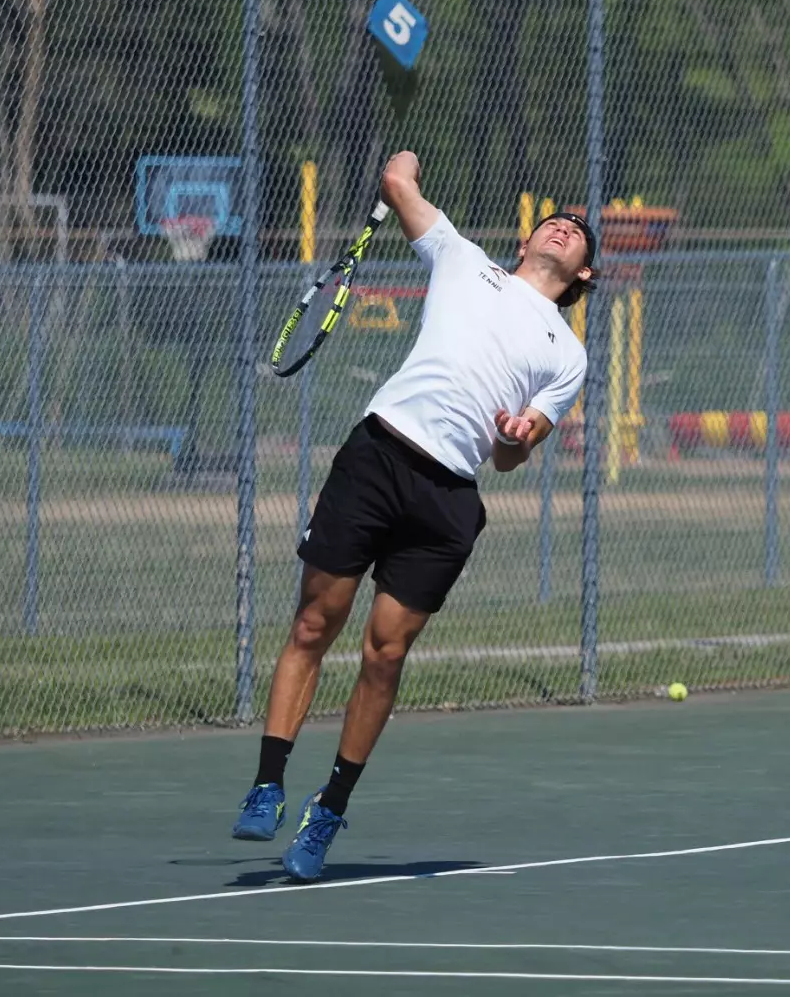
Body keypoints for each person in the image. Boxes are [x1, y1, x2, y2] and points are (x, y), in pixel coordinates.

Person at [231, 150, 594, 881]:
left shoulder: (569, 356)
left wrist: (514, 435)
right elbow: (399, 181)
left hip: (448, 498)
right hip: (377, 456)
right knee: (314, 624)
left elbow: (511, 457)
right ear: (524, 240)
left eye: (577, 232)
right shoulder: (460, 257)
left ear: (584, 273)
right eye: (552, 221)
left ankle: (329, 808)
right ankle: (268, 782)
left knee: (385, 654)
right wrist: (405, 156)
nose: (561, 227)